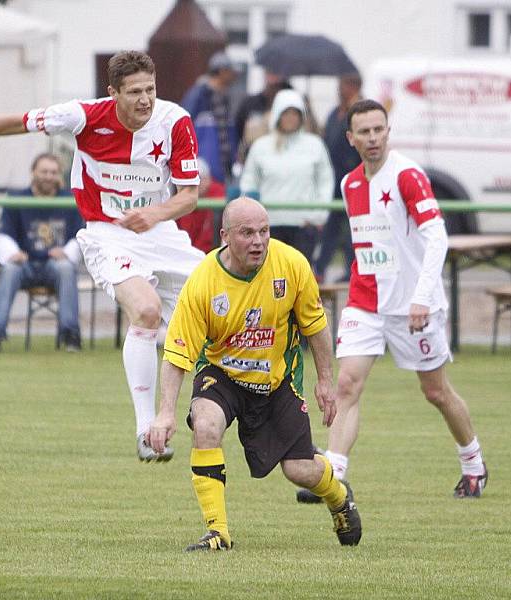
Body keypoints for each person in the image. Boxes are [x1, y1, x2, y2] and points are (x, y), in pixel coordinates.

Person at [0, 50, 205, 461]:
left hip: (162, 234)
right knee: (145, 311)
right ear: (113, 93)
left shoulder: (174, 120)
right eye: (135, 92)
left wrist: (154, 213)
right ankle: (146, 431)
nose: (145, 100)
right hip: (109, 235)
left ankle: (239, 408)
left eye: (151, 90)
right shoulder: (83, 115)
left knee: (216, 314)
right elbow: (18, 123)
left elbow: (190, 196)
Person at [297, 99, 488, 503]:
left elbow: (437, 236)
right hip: (366, 302)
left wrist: (421, 297)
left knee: (435, 392)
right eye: (363, 132)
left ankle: (473, 463)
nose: (372, 138)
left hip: (413, 307)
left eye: (378, 130)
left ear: (388, 132)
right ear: (350, 138)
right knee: (347, 384)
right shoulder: (350, 184)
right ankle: (333, 475)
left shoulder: (407, 176)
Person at [147, 197, 361, 551]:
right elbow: (177, 352)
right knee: (205, 424)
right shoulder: (202, 281)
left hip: (277, 381)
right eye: (247, 233)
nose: (258, 241)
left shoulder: (291, 264)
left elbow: (315, 325)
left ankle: (338, 494)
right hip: (222, 374)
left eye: (264, 231)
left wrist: (325, 380)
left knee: (298, 470)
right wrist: (166, 411)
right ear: (225, 236)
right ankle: (218, 532)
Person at [0, 153, 84, 352]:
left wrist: (67, 251)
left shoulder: (70, 200)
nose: (48, 176)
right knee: (10, 269)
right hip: (25, 263)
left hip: (55, 265)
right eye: (44, 171)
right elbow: (3, 235)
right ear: (33, 172)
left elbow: (82, 235)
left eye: (53, 172)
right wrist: (13, 252)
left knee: (66, 267)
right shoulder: (17, 199)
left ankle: (71, 334)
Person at [239, 89, 333, 265]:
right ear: (277, 115)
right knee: (269, 277)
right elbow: (249, 181)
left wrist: (318, 216)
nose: (290, 118)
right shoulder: (261, 146)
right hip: (268, 226)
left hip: (304, 225)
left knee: (300, 277)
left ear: (301, 116)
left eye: (294, 113)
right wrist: (251, 217)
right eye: (285, 113)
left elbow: (325, 182)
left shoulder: (315, 145)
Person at [314, 73, 362, 283]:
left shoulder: (359, 113)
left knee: (354, 228)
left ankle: (352, 270)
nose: (339, 90)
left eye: (343, 85)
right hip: (333, 180)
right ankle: (320, 268)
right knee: (331, 227)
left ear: (354, 86)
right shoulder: (335, 113)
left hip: (353, 178)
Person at [181, 51, 239, 186]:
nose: (234, 76)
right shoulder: (198, 96)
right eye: (231, 71)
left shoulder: (225, 97)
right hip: (203, 176)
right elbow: (183, 130)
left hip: (224, 176)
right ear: (222, 71)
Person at [234, 70, 291, 164]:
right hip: (253, 158)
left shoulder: (290, 106)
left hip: (283, 159)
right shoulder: (250, 103)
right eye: (271, 85)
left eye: (277, 85)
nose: (273, 88)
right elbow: (238, 130)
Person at [176, 157, 224, 253]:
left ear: (208, 179)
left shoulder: (219, 196)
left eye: (199, 179)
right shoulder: (182, 196)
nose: (196, 184)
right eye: (192, 180)